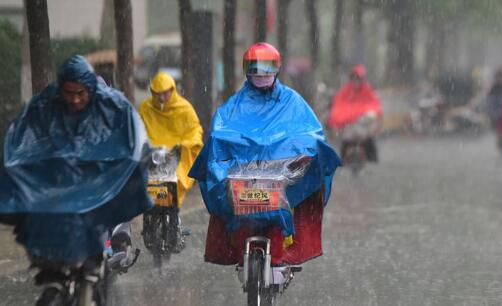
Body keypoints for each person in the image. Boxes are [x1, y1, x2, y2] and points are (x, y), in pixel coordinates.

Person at [0, 55, 152, 281]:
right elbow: (25, 142)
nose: (75, 100)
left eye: (81, 94)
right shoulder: (45, 107)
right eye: (69, 93)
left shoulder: (114, 108)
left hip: (100, 186)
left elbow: (134, 142)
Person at [189, 42, 340, 266]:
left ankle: (286, 250)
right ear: (246, 69)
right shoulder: (233, 106)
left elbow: (310, 133)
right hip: (243, 179)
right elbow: (219, 137)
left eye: (266, 67)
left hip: (280, 177)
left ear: (277, 68)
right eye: (255, 68)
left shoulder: (292, 101)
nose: (261, 73)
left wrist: (299, 154)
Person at [138, 71, 203, 208]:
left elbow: (194, 130)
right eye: (157, 93)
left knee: (176, 182)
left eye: (165, 93)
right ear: (152, 92)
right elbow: (138, 130)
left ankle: (173, 209)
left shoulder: (184, 108)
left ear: (172, 90)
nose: (161, 98)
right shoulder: (145, 108)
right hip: (152, 157)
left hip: (176, 157)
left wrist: (184, 144)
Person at [327, 64, 382, 162]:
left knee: (367, 140)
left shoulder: (366, 90)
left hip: (362, 126)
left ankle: (371, 159)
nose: (356, 82)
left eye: (358, 79)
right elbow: (339, 104)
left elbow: (372, 104)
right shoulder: (346, 90)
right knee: (347, 141)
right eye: (354, 78)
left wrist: (358, 112)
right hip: (349, 127)